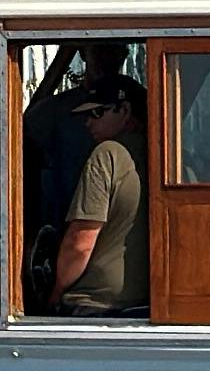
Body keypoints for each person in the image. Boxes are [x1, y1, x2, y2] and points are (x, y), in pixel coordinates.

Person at [48, 72, 150, 317]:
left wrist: (55, 293)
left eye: (97, 113)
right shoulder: (170, 155)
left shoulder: (107, 154)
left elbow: (80, 243)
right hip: (148, 302)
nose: (88, 123)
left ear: (124, 110)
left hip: (98, 305)